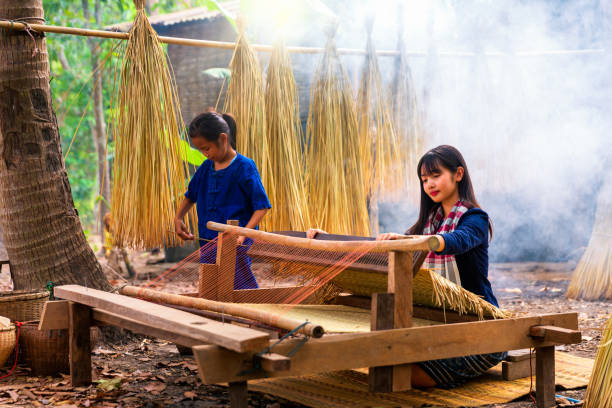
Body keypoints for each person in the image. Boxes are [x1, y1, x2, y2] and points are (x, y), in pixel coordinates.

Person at [307, 145, 505, 388]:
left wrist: (418, 241)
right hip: (434, 322)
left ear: (458, 174)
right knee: (380, 357)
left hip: (482, 326)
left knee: (410, 374)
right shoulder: (428, 223)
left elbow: (458, 240)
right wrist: (328, 239)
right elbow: (386, 250)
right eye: (424, 179)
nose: (429, 184)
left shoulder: (475, 219)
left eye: (436, 175)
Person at [174, 111, 270, 289]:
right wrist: (178, 217)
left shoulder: (245, 167)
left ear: (223, 139)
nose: (204, 154)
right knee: (213, 283)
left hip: (236, 242)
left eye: (207, 148)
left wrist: (244, 233)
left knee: (239, 282)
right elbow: (190, 195)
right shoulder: (206, 167)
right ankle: (219, 315)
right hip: (208, 239)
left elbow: (262, 207)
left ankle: (252, 312)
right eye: (200, 150)